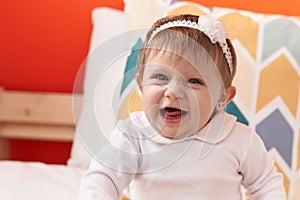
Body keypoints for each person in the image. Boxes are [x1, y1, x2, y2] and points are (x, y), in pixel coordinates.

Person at [79, 14, 286, 200]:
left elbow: (267, 186)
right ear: (141, 84)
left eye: (194, 81)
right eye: (160, 77)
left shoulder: (239, 139)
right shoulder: (133, 137)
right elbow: (103, 178)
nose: (174, 92)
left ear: (223, 97)